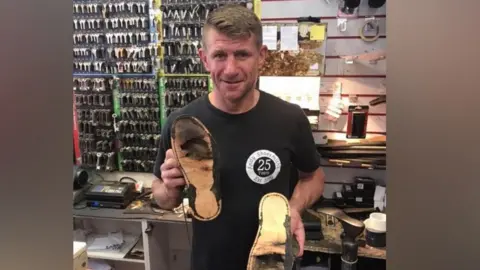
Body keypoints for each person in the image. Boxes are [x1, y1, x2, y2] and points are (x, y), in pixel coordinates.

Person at [152, 4, 325, 270]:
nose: (230, 69)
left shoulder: (290, 119)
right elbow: (162, 198)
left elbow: (313, 176)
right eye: (220, 55)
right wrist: (169, 188)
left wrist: (294, 208)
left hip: (273, 261)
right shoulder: (182, 125)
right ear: (204, 58)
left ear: (261, 56)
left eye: (242, 54)